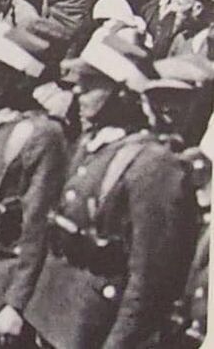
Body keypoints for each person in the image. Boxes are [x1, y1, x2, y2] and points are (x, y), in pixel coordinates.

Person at [27, 28, 199, 348]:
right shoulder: (96, 144)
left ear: (124, 93)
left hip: (96, 326)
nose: (78, 93)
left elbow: (148, 280)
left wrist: (119, 343)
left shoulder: (153, 164)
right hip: (56, 313)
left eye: (91, 86)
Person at [0, 18, 72, 349]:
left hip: (1, 286)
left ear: (17, 79)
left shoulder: (43, 135)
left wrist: (16, 303)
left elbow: (36, 228)